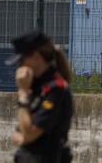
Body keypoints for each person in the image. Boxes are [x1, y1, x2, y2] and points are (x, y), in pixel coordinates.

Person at [6, 30, 74, 163]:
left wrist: (23, 94)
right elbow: (17, 134)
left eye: (22, 60)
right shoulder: (38, 86)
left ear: (36, 57)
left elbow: (30, 132)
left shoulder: (56, 89)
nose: (20, 66)